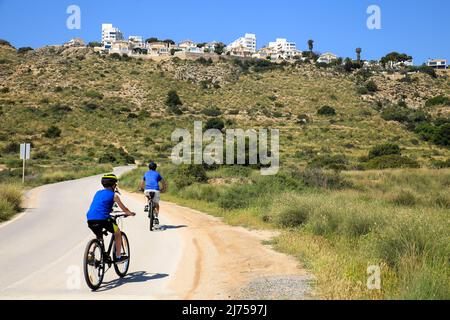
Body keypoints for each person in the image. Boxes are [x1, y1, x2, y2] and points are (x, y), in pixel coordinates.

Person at [86, 174, 135, 262]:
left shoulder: (98, 193)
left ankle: (91, 253)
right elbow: (124, 209)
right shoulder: (114, 196)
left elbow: (100, 205)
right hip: (104, 219)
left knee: (99, 236)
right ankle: (118, 257)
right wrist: (130, 213)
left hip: (90, 219)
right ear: (113, 185)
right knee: (117, 232)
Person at [139, 161, 167, 226]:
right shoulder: (157, 174)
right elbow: (163, 182)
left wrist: (141, 188)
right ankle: (156, 217)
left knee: (147, 196)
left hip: (147, 190)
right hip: (156, 190)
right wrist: (163, 189)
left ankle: (146, 205)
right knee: (156, 204)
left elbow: (142, 182)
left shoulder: (146, 173)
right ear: (155, 168)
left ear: (149, 167)